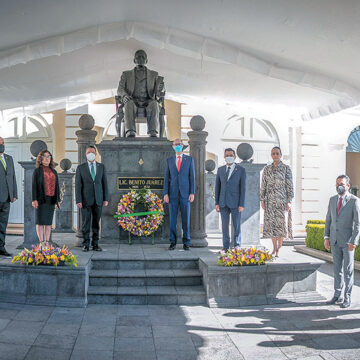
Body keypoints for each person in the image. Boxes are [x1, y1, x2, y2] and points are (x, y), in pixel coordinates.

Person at [324, 175, 360, 308]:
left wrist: (353, 241)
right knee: (337, 269)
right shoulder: (332, 200)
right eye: (337, 183)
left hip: (348, 242)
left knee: (348, 271)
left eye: (342, 184)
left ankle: (347, 297)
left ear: (348, 186)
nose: (339, 186)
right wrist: (326, 237)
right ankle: (337, 294)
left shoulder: (354, 201)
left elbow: (358, 224)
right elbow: (329, 220)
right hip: (334, 240)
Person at [117, 49, 164, 137]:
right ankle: (130, 131)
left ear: (146, 60)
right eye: (138, 57)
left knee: (154, 104)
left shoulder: (154, 74)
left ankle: (153, 131)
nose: (140, 59)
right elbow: (120, 89)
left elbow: (160, 90)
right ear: (134, 60)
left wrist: (160, 89)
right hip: (133, 100)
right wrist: (124, 95)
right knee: (128, 104)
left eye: (143, 57)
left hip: (148, 101)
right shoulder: (126, 74)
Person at [260, 146, 294, 257]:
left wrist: (289, 201)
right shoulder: (267, 169)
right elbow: (263, 185)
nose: (275, 155)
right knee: (271, 226)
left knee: (281, 225)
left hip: (282, 201)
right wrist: (262, 200)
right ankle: (274, 248)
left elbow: (290, 186)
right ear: (271, 155)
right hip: (269, 201)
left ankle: (279, 248)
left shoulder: (286, 168)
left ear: (280, 155)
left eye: (277, 153)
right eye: (273, 153)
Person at [75, 146, 109, 252]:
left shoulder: (101, 167)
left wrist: (105, 198)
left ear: (96, 154)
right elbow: (78, 185)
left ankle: (95, 244)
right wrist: (78, 200)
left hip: (98, 199)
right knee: (86, 223)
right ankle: (85, 244)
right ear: (85, 154)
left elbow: (104, 184)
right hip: (85, 200)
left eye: (93, 152)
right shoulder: (81, 168)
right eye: (89, 152)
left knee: (96, 223)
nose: (91, 154)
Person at [163, 139, 195, 250]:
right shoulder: (169, 160)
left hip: (186, 194)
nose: (178, 146)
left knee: (186, 219)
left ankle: (187, 242)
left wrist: (192, 192)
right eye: (176, 144)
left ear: (183, 146)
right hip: (172, 194)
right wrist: (165, 193)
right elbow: (167, 178)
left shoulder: (189, 160)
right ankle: (173, 242)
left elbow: (192, 177)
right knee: (173, 219)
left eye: (179, 144)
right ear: (173, 147)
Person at [215, 148, 246, 251]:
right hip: (223, 202)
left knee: (236, 225)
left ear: (235, 156)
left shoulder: (241, 170)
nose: (229, 157)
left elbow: (243, 188)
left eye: (231, 155)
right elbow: (217, 187)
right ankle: (225, 247)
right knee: (224, 226)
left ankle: (237, 245)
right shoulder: (220, 170)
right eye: (227, 155)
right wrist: (217, 203)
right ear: (224, 157)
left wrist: (241, 204)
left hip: (236, 202)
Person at [31, 150, 61, 246]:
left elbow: (57, 186)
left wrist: (58, 200)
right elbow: (34, 185)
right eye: (45, 156)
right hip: (40, 200)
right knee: (40, 222)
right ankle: (41, 242)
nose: (47, 158)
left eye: (49, 156)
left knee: (48, 222)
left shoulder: (54, 171)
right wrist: (34, 199)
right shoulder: (37, 171)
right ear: (41, 158)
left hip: (51, 200)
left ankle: (47, 242)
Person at [0, 137, 18, 256]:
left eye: (3, 143)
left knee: (3, 223)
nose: (2, 145)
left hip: (6, 197)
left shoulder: (9, 158)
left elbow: (12, 177)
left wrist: (14, 194)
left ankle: (1, 247)